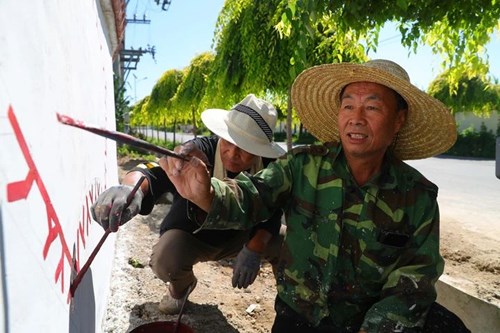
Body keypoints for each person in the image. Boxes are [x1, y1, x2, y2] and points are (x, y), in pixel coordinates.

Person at [160, 60, 469, 332]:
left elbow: (414, 281)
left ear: (398, 120)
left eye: (372, 107)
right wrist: (208, 194)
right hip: (298, 316)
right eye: (348, 106)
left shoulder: (417, 198)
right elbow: (254, 195)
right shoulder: (301, 165)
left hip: (367, 321)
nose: (356, 118)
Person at [91, 94, 286, 315]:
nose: (232, 153)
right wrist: (130, 187)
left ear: (261, 150)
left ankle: (289, 304)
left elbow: (275, 208)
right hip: (196, 235)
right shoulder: (199, 153)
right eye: (229, 141)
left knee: (290, 243)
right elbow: (154, 171)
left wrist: (256, 247)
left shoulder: (272, 169)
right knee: (166, 260)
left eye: (245, 147)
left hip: (245, 236)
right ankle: (180, 289)